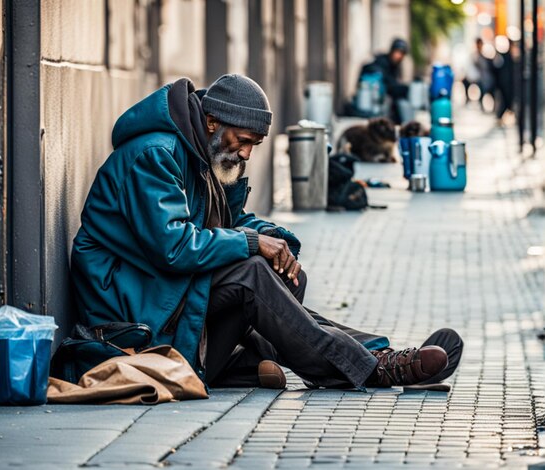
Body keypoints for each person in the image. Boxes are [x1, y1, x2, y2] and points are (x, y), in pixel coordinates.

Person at [71, 74, 463, 390]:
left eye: (254, 146)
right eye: (243, 142)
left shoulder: (200, 152)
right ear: (212, 123)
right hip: (136, 314)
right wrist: (253, 243)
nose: (246, 155)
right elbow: (174, 248)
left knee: (275, 272)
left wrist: (278, 242)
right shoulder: (154, 156)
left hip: (165, 296)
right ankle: (372, 368)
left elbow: (228, 223)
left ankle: (380, 354)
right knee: (253, 275)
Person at [361, 38, 412, 123]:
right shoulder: (382, 63)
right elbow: (390, 85)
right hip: (376, 102)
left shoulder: (395, 65)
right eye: (397, 52)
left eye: (401, 53)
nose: (399, 56)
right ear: (392, 51)